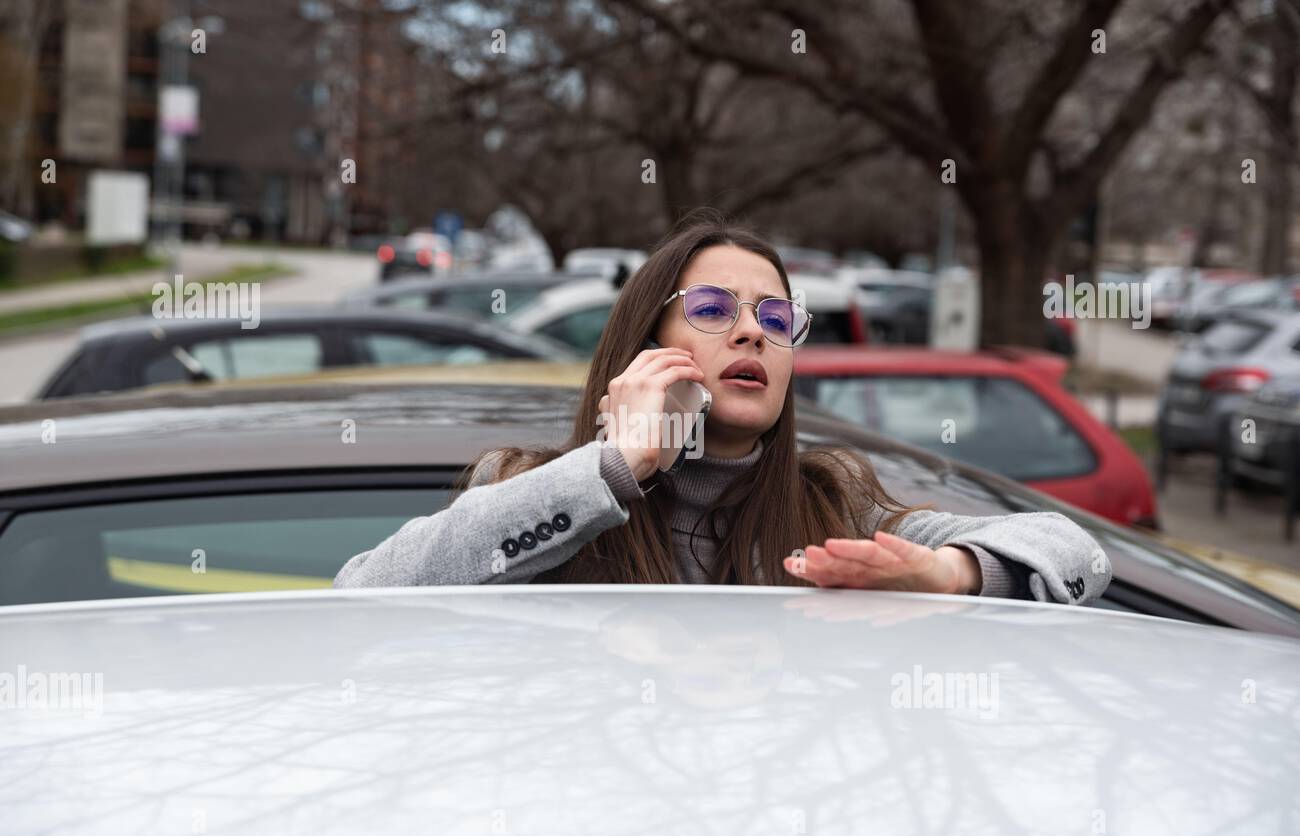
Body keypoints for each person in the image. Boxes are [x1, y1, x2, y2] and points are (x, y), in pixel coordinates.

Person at [334, 209, 1111, 603]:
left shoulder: (834, 504)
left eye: (776, 319)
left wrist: (950, 573)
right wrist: (615, 467)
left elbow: (1082, 556)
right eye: (713, 308)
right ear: (647, 339)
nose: (751, 329)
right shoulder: (534, 484)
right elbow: (364, 593)